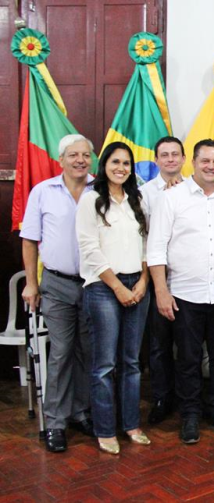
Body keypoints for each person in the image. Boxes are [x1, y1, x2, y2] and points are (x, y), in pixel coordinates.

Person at [147, 139, 214, 444]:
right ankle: (189, 415)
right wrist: (161, 290)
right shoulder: (172, 198)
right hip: (185, 294)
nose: (211, 166)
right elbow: (156, 247)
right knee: (187, 358)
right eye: (205, 161)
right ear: (194, 162)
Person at [20, 134, 95, 453]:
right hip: (56, 284)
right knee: (62, 351)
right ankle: (55, 422)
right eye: (73, 155)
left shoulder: (101, 189)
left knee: (87, 352)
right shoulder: (43, 192)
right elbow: (29, 240)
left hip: (95, 284)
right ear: (60, 159)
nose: (80, 160)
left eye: (86, 155)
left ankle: (81, 412)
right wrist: (31, 284)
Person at [75, 142, 150, 454]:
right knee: (104, 364)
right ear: (104, 164)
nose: (121, 167)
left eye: (127, 163)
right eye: (115, 162)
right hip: (104, 287)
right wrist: (117, 287)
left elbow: (149, 242)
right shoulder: (91, 199)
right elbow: (89, 248)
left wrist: (144, 281)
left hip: (137, 284)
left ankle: (131, 424)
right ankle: (106, 430)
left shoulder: (137, 199)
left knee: (131, 362)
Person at [140, 136, 185, 425]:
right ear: (156, 160)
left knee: (189, 345)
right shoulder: (145, 194)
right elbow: (144, 236)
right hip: (158, 278)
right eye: (164, 155)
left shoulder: (197, 189)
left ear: (183, 159)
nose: (170, 159)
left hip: (187, 278)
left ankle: (187, 397)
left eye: (175, 154)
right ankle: (162, 397)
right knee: (158, 344)